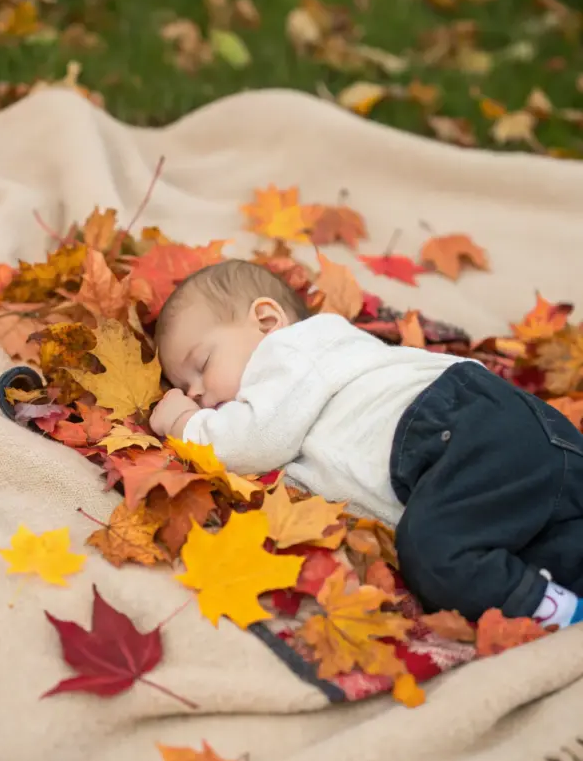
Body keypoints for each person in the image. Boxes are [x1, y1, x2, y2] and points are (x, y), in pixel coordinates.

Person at [150, 258, 583, 629]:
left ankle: (558, 615)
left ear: (267, 321)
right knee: (546, 547)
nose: (197, 394)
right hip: (520, 448)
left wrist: (186, 424)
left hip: (455, 428)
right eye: (185, 389)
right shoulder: (309, 408)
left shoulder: (293, 351)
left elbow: (249, 440)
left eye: (202, 365)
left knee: (436, 554)